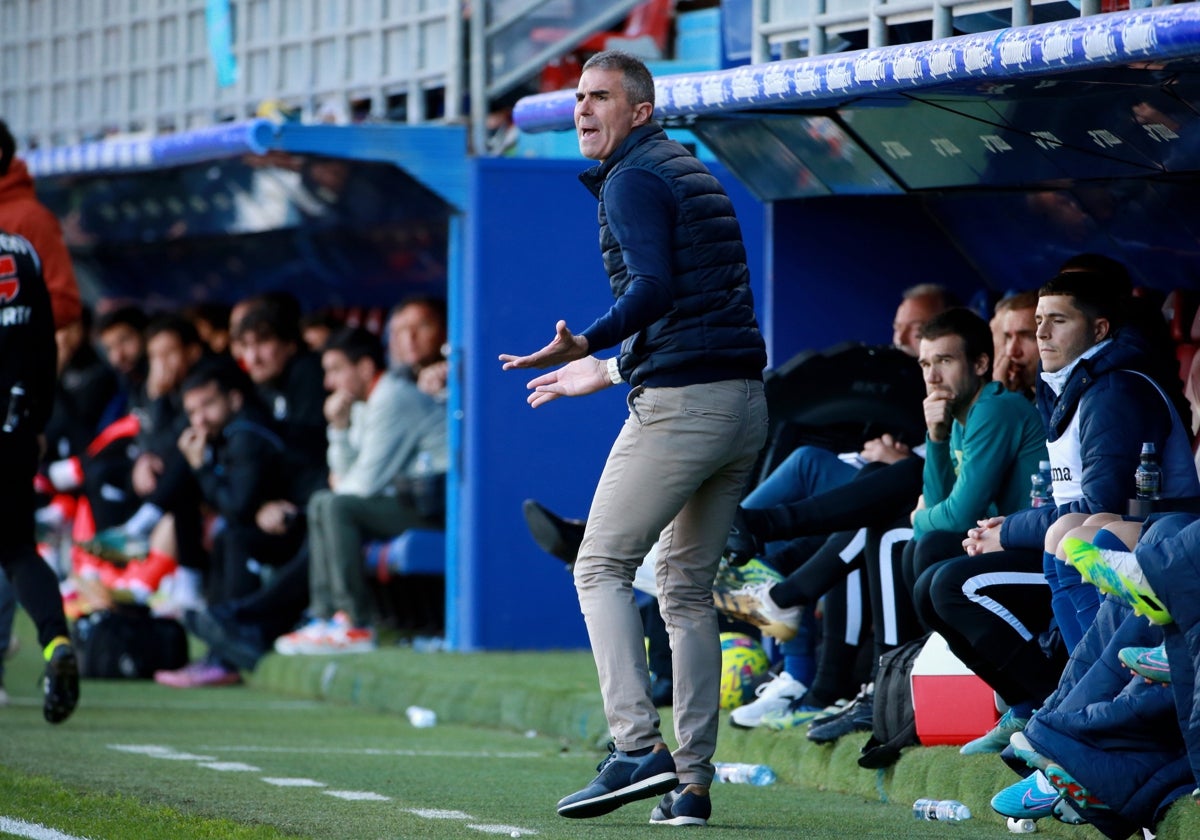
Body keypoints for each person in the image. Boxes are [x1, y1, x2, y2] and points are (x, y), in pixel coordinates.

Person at [499, 50, 768, 826]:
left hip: (685, 408)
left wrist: (586, 344)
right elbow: (698, 314)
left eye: (601, 98)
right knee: (685, 592)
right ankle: (691, 785)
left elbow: (652, 291)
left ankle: (635, 747)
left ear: (641, 110)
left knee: (599, 566)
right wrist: (613, 372)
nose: (583, 110)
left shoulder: (631, 179)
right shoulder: (682, 169)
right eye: (578, 97)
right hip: (742, 402)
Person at [914, 262, 1200, 767]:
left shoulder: (1114, 390)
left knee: (961, 582)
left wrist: (1010, 530)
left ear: (1099, 329)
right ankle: (1045, 707)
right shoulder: (1073, 384)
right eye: (1039, 319)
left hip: (1156, 540)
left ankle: (1077, 706)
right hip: (1106, 533)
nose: (1042, 331)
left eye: (1057, 321)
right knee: (936, 570)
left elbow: (1101, 505)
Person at [273, 326, 446, 655]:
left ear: (365, 368)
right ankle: (325, 617)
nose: (329, 384)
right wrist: (338, 429)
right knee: (325, 501)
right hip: (409, 500)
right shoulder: (365, 402)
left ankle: (355, 623)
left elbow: (363, 486)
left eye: (336, 370)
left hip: (439, 508)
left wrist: (339, 482)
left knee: (335, 506)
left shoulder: (392, 397)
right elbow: (343, 479)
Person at [153, 358, 324, 686]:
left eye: (209, 405)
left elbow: (236, 506)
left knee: (233, 537)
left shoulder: (246, 432)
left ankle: (231, 644)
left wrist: (202, 467)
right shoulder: (224, 433)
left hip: (306, 521)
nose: (200, 419)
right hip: (282, 520)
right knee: (228, 536)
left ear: (234, 399)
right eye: (192, 411)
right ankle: (221, 643)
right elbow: (243, 505)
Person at [0, 228, 78, 723]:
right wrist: (36, 423)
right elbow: (46, 345)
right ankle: (55, 643)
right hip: (16, 427)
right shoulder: (22, 250)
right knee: (16, 551)